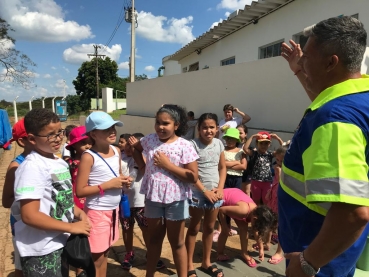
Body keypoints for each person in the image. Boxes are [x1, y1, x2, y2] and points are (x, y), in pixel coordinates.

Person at [280, 16, 369, 277]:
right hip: (338, 254)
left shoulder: (335, 119)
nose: (303, 60)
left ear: (331, 62)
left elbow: (353, 213)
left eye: (307, 55)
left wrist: (308, 263)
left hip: (318, 260)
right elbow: (325, 97)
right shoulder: (357, 97)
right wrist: (299, 70)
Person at [11, 109, 91, 277]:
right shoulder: (32, 167)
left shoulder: (58, 162)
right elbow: (29, 215)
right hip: (41, 250)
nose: (58, 138)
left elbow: (60, 197)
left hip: (60, 241)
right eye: (51, 135)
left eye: (60, 132)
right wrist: (71, 227)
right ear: (32, 139)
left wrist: (78, 212)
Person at [130, 104, 199, 277]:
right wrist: (143, 166)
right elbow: (137, 149)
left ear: (176, 125)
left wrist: (168, 166)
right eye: (158, 122)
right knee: (153, 241)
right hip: (153, 197)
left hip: (176, 198)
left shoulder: (185, 145)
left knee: (177, 242)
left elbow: (193, 176)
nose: (161, 127)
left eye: (166, 123)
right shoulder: (149, 140)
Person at [75, 111, 131, 277]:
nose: (112, 131)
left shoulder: (116, 150)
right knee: (96, 258)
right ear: (93, 134)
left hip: (113, 211)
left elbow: (117, 174)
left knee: (105, 254)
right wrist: (106, 186)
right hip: (96, 213)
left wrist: (123, 180)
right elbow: (80, 191)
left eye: (113, 127)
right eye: (106, 128)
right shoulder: (88, 157)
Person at [185, 113, 226, 277]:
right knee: (194, 227)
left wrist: (220, 188)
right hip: (198, 193)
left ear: (217, 129)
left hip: (215, 193)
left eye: (211, 127)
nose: (208, 131)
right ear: (199, 128)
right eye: (204, 127)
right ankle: (188, 265)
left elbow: (222, 168)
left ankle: (206, 262)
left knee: (209, 227)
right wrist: (204, 191)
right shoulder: (192, 145)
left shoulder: (219, 144)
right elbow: (191, 173)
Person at [120, 133, 165, 271]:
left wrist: (138, 151)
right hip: (124, 201)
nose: (128, 147)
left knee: (146, 229)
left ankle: (150, 253)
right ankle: (129, 253)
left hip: (140, 201)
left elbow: (146, 167)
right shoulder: (119, 158)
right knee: (127, 229)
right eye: (126, 144)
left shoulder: (142, 158)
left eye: (131, 144)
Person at [216, 188, 276, 267]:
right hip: (222, 201)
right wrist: (225, 227)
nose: (255, 228)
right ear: (254, 219)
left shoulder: (255, 212)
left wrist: (261, 248)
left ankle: (244, 253)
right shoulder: (243, 211)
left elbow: (256, 231)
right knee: (225, 231)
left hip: (235, 199)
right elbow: (221, 210)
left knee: (244, 229)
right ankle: (220, 253)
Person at [2, 119, 31, 277]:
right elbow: (6, 201)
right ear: (23, 141)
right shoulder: (16, 167)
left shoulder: (51, 160)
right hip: (23, 226)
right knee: (22, 266)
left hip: (45, 224)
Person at [243, 131, 283, 205]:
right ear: (257, 143)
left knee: (266, 201)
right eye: (261, 143)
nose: (263, 146)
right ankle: (257, 215)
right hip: (255, 181)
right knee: (256, 200)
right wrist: (252, 137)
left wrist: (278, 138)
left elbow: (282, 150)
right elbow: (245, 148)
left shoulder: (270, 154)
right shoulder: (254, 153)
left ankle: (265, 215)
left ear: (269, 144)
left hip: (267, 182)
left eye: (266, 143)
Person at [264, 146, 287, 265]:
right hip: (274, 195)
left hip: (282, 198)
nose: (278, 163)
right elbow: (275, 181)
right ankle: (267, 243)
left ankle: (280, 251)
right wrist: (269, 191)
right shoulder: (277, 168)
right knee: (270, 220)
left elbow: (284, 182)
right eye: (277, 160)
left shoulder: (287, 170)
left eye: (282, 161)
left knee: (281, 225)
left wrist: (280, 172)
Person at [237, 124, 251, 196]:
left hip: (246, 172)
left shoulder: (249, 146)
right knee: (238, 191)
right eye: (237, 132)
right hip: (236, 171)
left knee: (247, 191)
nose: (238, 134)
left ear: (246, 134)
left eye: (241, 133)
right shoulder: (233, 144)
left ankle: (249, 206)